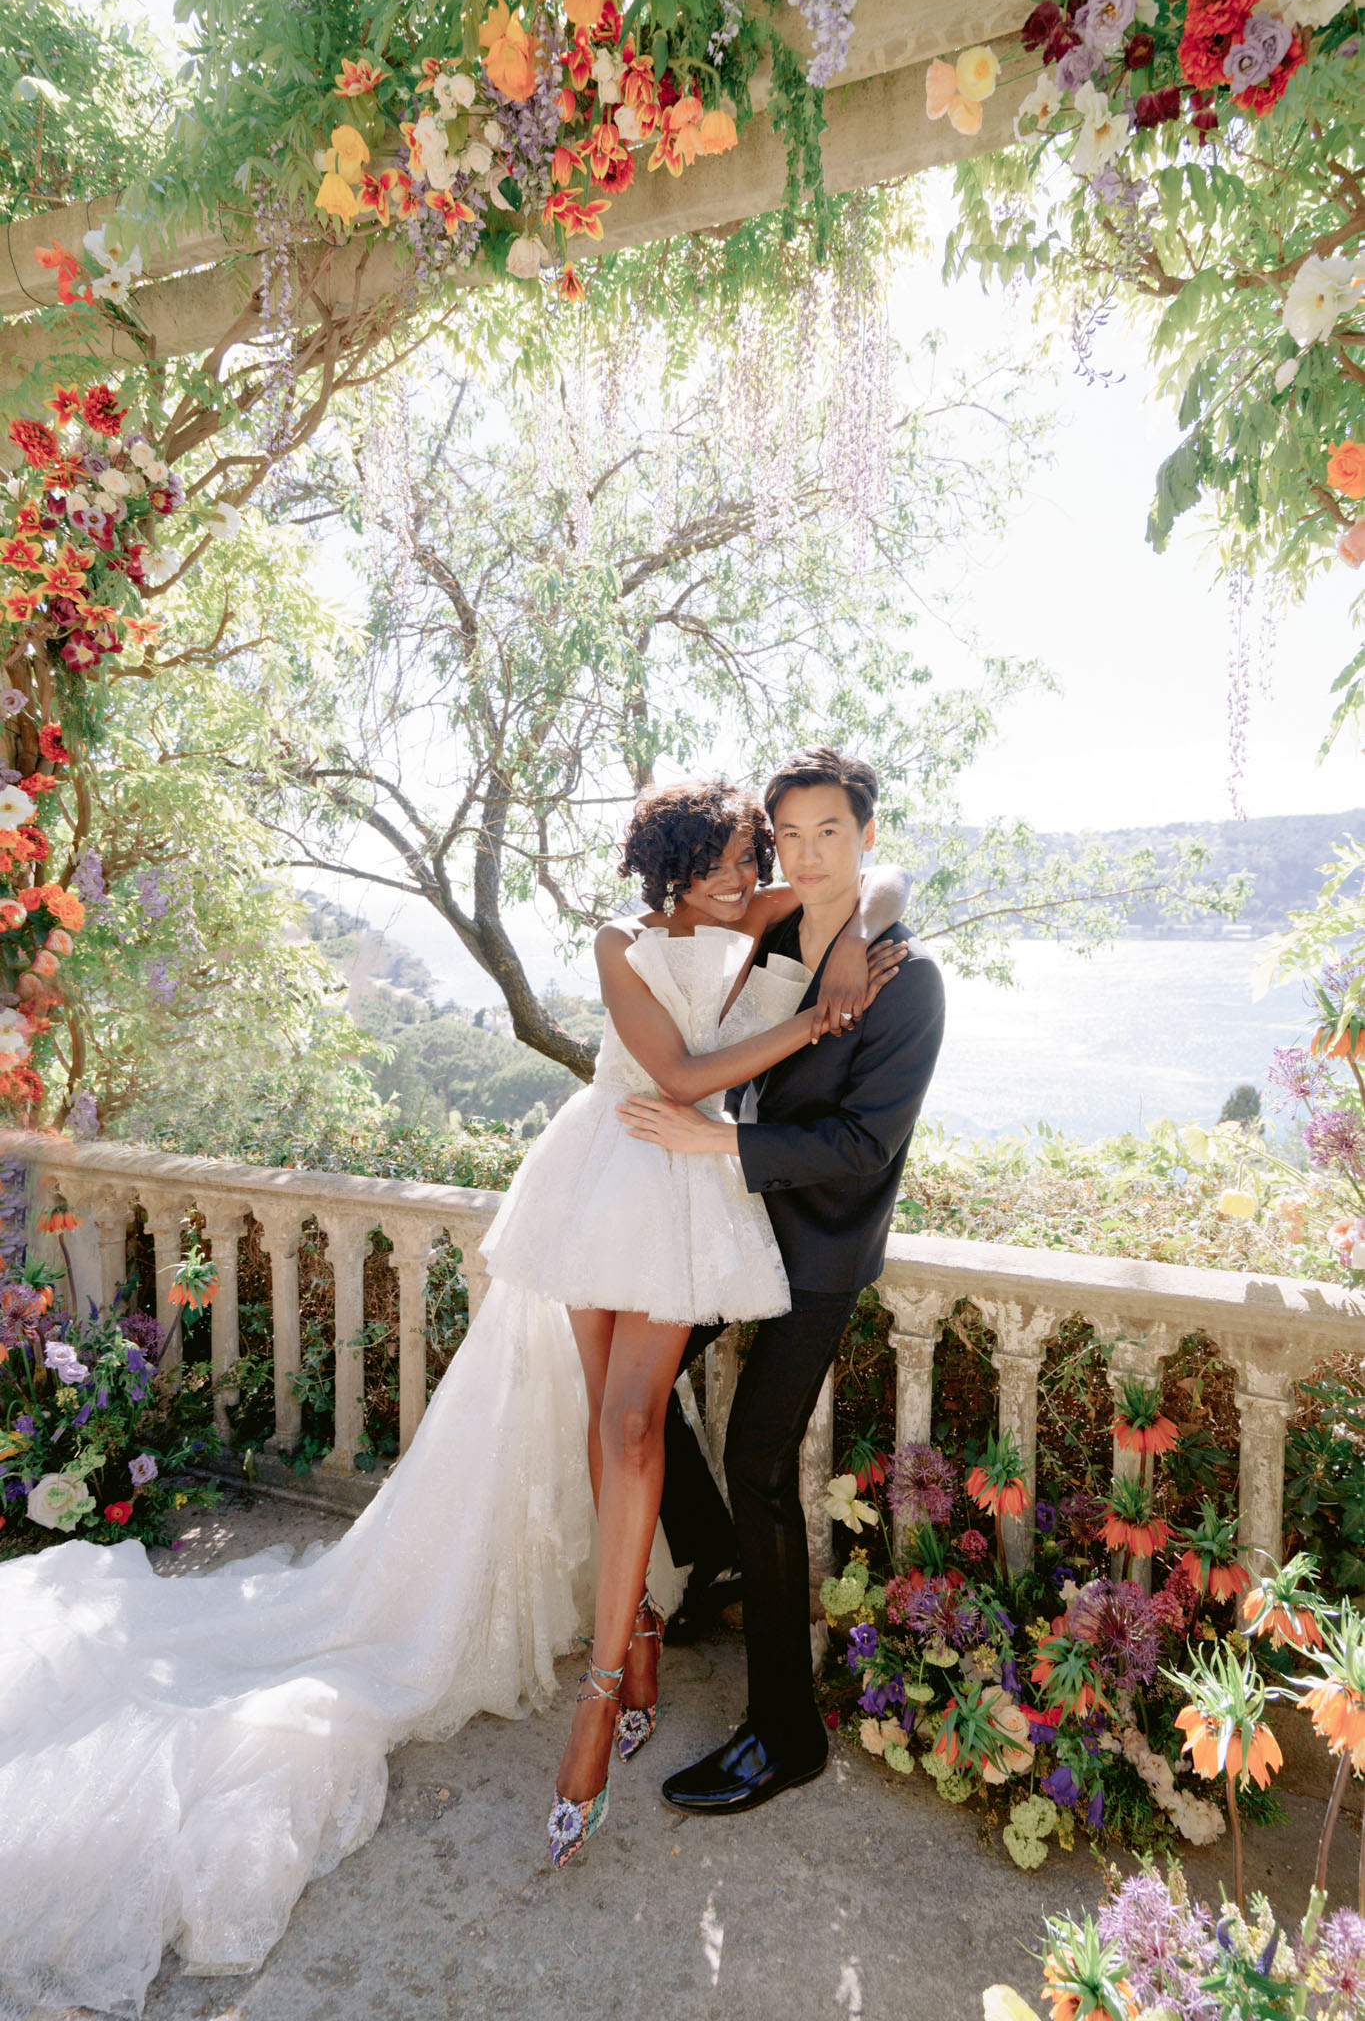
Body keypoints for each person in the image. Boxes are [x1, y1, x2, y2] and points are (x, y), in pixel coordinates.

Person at [0, 775, 911, 2018]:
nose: (761, 869)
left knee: (637, 1421)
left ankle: (605, 1685)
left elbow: (860, 892)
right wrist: (813, 1026)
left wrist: (861, 927)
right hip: (614, 1168)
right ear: (687, 864)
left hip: (688, 1196)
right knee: (608, 1422)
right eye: (745, 850)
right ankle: (636, 1638)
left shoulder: (761, 914)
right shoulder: (621, 942)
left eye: (767, 851)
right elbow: (682, 1075)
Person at [620, 746, 945, 1814]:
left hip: (817, 1254)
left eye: (832, 835)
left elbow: (861, 1145)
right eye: (790, 835)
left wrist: (711, 1145)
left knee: (759, 1458)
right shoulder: (777, 927)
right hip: (734, 1231)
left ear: (864, 834)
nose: (808, 855)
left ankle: (784, 1733)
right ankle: (717, 1562)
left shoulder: (906, 977)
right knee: (640, 1390)